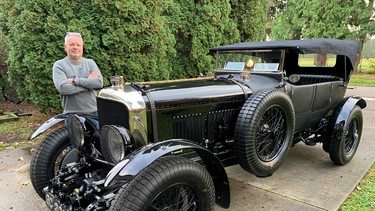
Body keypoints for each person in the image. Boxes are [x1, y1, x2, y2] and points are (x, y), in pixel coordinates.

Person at [52, 32, 103, 115]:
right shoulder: (59, 65)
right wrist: (88, 84)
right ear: (65, 47)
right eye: (72, 44)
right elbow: (63, 89)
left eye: (78, 45)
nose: (75, 47)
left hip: (95, 113)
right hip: (71, 115)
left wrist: (75, 81)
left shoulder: (90, 63)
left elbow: (99, 83)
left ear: (82, 47)